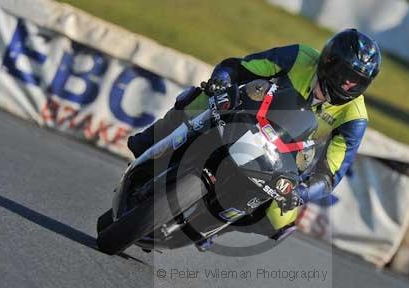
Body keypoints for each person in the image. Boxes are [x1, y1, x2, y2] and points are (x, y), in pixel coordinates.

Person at [127, 29, 381, 250]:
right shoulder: (299, 57)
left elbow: (331, 173)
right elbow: (238, 67)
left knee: (280, 221)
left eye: (357, 82)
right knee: (202, 98)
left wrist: (302, 192)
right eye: (345, 75)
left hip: (284, 160)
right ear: (328, 61)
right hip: (248, 119)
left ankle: (219, 225)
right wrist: (221, 82)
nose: (348, 86)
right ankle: (153, 138)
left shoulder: (354, 117)